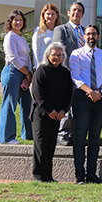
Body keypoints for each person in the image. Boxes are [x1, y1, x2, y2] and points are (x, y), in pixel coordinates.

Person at [69, 25, 102, 184]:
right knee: (80, 137)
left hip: (100, 98)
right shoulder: (76, 54)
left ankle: (92, 175)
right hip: (82, 97)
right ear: (84, 36)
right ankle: (80, 175)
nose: (91, 36)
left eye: (94, 33)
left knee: (95, 138)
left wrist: (100, 91)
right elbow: (75, 76)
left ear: (98, 36)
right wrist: (90, 92)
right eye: (88, 34)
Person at [30, 42, 73, 182]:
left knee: (50, 146)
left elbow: (68, 94)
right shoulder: (41, 71)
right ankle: (38, 176)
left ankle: (48, 176)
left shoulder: (65, 73)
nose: (57, 57)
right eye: (54, 54)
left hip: (57, 115)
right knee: (41, 145)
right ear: (48, 55)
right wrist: (49, 110)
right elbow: (37, 93)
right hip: (41, 114)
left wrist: (63, 110)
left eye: (60, 55)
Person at [51, 2, 86, 145]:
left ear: (82, 14)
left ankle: (78, 136)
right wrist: (67, 71)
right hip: (67, 73)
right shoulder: (61, 30)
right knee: (65, 105)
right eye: (74, 10)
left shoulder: (86, 31)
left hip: (84, 76)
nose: (76, 13)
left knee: (80, 107)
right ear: (68, 12)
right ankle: (64, 136)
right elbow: (58, 50)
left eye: (79, 11)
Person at [0, 9, 33, 144]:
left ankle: (28, 135)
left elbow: (26, 58)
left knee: (27, 104)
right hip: (12, 72)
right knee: (9, 104)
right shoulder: (10, 36)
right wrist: (27, 73)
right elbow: (13, 58)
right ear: (10, 22)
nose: (18, 22)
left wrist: (28, 75)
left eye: (20, 20)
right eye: (15, 20)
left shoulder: (21, 38)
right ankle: (5, 138)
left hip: (23, 74)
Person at [32, 3, 60, 70]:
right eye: (48, 14)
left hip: (57, 66)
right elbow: (35, 50)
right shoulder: (39, 30)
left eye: (53, 14)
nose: (50, 16)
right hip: (43, 65)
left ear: (57, 15)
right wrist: (38, 67)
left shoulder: (59, 30)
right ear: (43, 15)